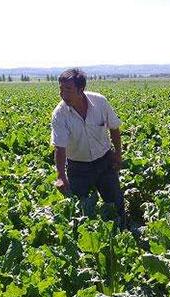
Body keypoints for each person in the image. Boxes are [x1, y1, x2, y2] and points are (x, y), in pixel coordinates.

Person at [51, 68, 125, 226]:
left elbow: (114, 128)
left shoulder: (100, 102)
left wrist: (118, 154)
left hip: (104, 162)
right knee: (79, 212)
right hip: (78, 168)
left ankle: (122, 232)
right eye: (61, 89)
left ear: (80, 89)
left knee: (116, 204)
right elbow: (59, 147)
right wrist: (61, 176)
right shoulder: (59, 113)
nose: (63, 94)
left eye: (68, 89)